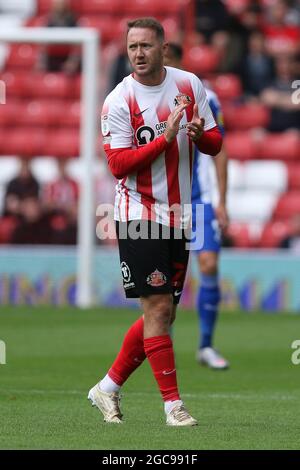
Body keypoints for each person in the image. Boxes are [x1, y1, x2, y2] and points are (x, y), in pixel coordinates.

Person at [88, 18, 222, 426]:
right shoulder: (118, 101)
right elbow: (117, 165)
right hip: (137, 212)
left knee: (162, 314)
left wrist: (198, 135)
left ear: (164, 48)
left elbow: (215, 143)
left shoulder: (189, 85)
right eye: (132, 48)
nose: (139, 54)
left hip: (179, 214)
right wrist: (163, 139)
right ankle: (173, 407)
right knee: (159, 305)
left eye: (146, 46)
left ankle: (106, 388)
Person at [164, 43, 229, 370]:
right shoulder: (140, 98)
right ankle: (161, 344)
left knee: (207, 265)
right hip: (164, 200)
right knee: (162, 277)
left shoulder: (205, 97)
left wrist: (222, 201)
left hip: (200, 199)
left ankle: (205, 345)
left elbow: (220, 149)